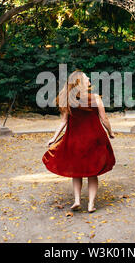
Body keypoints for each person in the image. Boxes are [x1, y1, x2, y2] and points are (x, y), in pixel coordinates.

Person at [42, 70, 116, 213]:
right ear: (80, 83)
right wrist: (110, 132)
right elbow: (104, 119)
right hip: (94, 139)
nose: (89, 79)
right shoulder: (95, 98)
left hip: (74, 140)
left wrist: (54, 138)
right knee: (93, 172)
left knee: (77, 171)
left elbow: (63, 122)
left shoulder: (68, 101)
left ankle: (77, 200)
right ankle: (91, 205)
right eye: (86, 78)